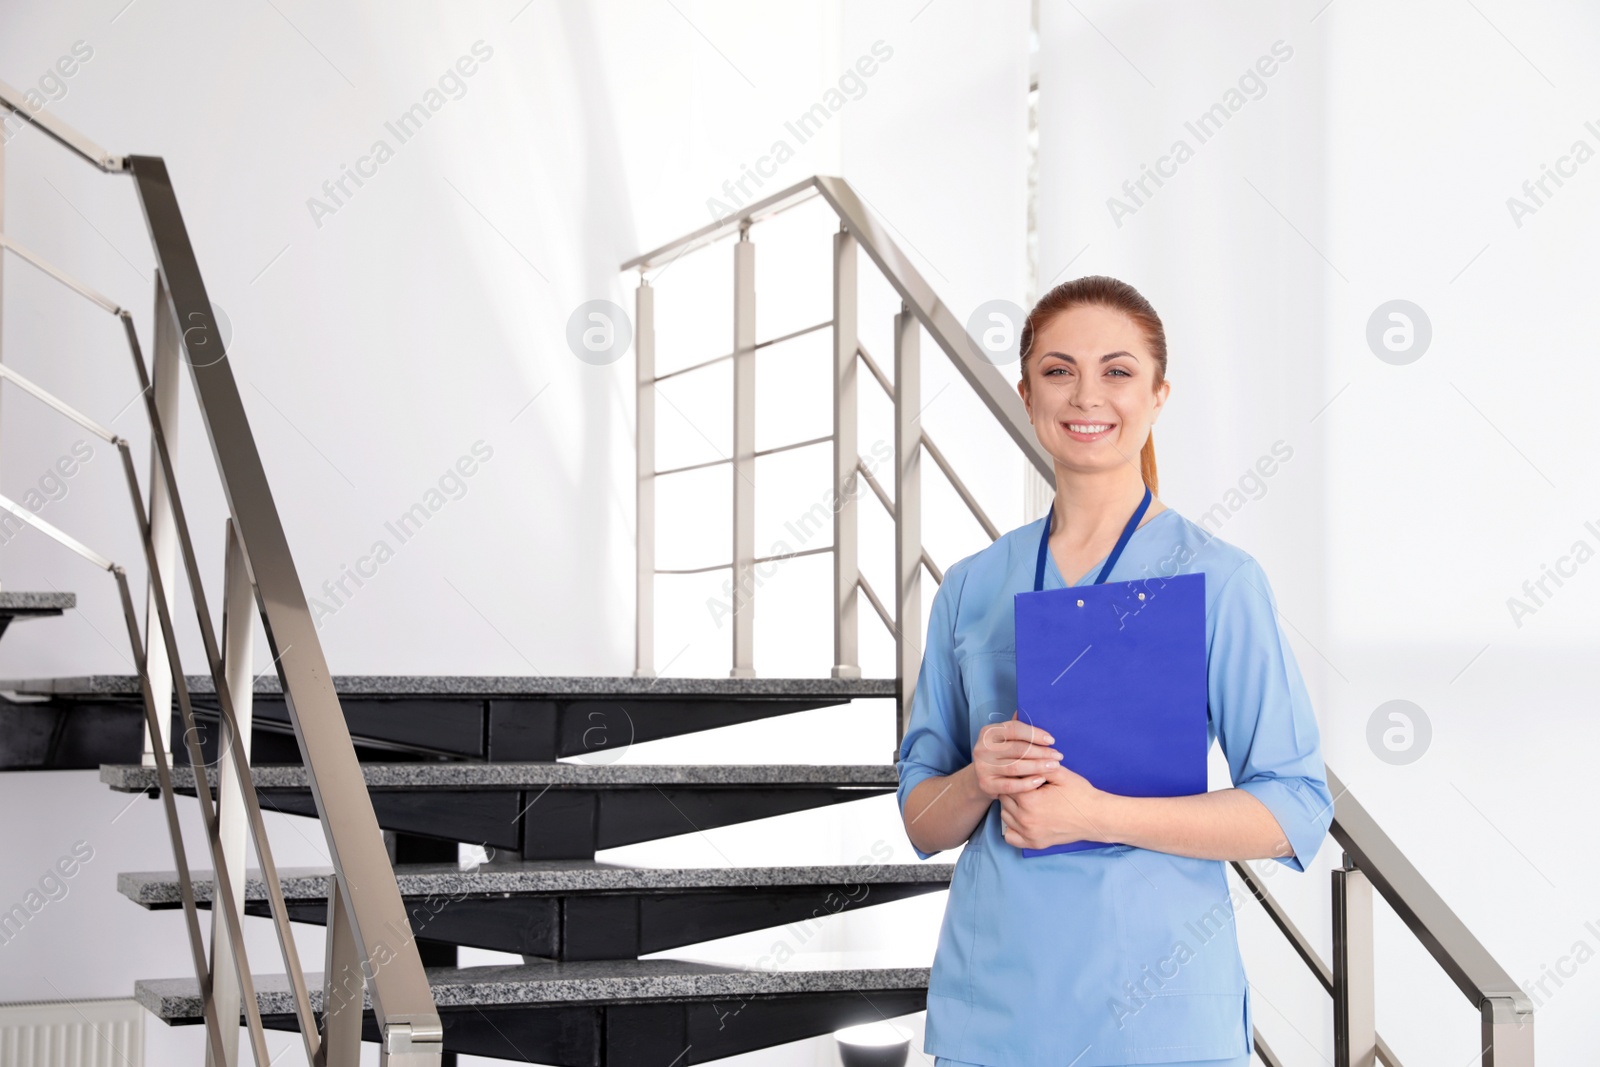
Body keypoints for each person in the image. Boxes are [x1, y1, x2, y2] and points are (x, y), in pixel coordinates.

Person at [896, 276, 1333, 1067]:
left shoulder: (1220, 581)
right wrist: (976, 780)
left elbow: (1294, 805)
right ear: (1029, 396)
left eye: (1118, 370)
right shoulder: (970, 585)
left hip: (1158, 1015)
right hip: (999, 1010)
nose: (1087, 394)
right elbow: (921, 820)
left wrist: (1102, 815)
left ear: (1159, 395)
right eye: (1059, 371)